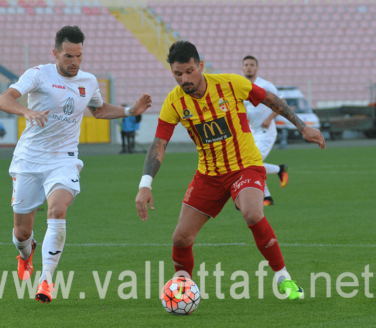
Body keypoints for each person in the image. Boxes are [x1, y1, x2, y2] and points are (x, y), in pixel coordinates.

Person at [135, 41, 325, 301]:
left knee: (252, 212)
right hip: (209, 175)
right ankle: (182, 287)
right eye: (178, 73)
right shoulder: (174, 102)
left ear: (200, 66)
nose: (184, 78)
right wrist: (145, 184)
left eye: (189, 71)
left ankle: (284, 278)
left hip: (244, 166)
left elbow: (270, 98)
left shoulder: (230, 83)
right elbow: (159, 144)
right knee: (180, 238)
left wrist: (303, 127)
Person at [0, 26, 152, 304]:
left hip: (64, 159)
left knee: (58, 211)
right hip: (29, 160)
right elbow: (5, 98)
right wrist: (26, 110)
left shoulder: (88, 81)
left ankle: (46, 280)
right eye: (69, 56)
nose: (74, 62)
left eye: (79, 56)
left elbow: (99, 109)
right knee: (22, 232)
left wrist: (130, 111)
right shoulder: (38, 73)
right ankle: (26, 253)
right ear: (55, 52)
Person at [242, 55, 288, 206]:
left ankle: (265, 196)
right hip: (250, 133)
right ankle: (268, 194)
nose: (249, 67)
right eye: (246, 65)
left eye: (251, 65)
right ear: (242, 68)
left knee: (251, 164)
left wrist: (270, 118)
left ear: (257, 68)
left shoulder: (265, 85)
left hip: (265, 132)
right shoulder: (241, 85)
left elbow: (282, 103)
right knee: (251, 164)